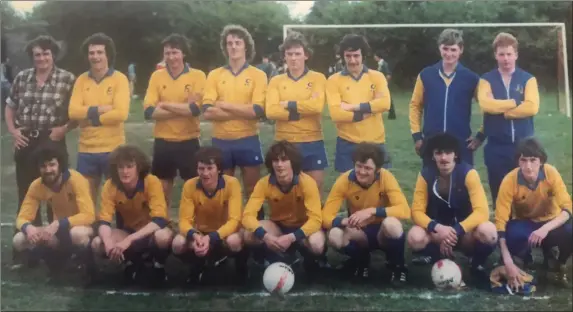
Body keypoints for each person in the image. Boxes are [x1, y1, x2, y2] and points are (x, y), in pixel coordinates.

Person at [5, 35, 76, 262]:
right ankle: (28, 247)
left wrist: (64, 129)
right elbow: (10, 107)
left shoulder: (67, 79)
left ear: (53, 54)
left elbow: (77, 113)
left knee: (58, 193)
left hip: (52, 139)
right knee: (27, 194)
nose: (42, 58)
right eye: (37, 54)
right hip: (27, 140)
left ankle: (61, 247)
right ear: (32, 57)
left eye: (46, 53)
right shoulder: (22, 78)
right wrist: (13, 131)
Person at [408, 133, 497, 286]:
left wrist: (455, 231)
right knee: (414, 237)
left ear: (455, 154)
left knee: (488, 231)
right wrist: (438, 228)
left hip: (464, 234)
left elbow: (482, 211)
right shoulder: (425, 175)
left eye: (448, 152)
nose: (444, 158)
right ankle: (436, 256)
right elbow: (416, 211)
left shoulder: (469, 173)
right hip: (437, 233)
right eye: (439, 153)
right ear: (432, 156)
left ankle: (476, 263)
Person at [322, 142, 410, 282]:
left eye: (368, 168)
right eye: (359, 166)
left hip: (383, 231)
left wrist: (371, 211)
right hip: (360, 232)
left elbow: (404, 210)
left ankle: (398, 266)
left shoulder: (385, 177)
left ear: (378, 169)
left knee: (392, 223)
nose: (362, 172)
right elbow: (325, 217)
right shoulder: (345, 180)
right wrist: (345, 221)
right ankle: (361, 261)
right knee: (334, 235)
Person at [202, 24, 267, 208]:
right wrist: (241, 111)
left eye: (238, 42)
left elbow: (256, 111)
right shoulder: (215, 75)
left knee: (252, 189)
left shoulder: (258, 75)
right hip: (221, 140)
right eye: (229, 43)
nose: (233, 46)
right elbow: (207, 111)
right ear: (225, 47)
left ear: (246, 46)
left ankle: (256, 227)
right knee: (223, 189)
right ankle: (226, 229)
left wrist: (224, 106)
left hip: (248, 139)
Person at [89, 145, 174, 284]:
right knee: (98, 243)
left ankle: (159, 265)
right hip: (129, 231)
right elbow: (104, 221)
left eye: (129, 166)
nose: (125, 171)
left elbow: (160, 220)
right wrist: (108, 241)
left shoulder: (151, 181)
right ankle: (129, 262)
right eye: (121, 167)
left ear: (139, 167)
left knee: (162, 237)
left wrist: (129, 240)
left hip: (151, 232)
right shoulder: (110, 185)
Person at [495, 137, 572, 289]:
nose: (528, 166)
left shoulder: (551, 173)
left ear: (541, 161)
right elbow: (500, 221)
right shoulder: (509, 180)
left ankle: (558, 263)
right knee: (512, 234)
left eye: (533, 160)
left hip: (550, 222)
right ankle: (522, 261)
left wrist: (544, 229)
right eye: (523, 160)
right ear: (518, 161)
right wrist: (507, 260)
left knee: (570, 230)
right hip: (526, 222)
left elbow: (568, 208)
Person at [242, 141, 324, 278]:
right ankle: (273, 256)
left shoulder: (307, 182)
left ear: (293, 162)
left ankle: (311, 260)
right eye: (275, 160)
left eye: (284, 160)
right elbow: (247, 216)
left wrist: (292, 237)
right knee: (249, 235)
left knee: (317, 244)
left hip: (302, 229)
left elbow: (316, 220)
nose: (279, 165)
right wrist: (266, 236)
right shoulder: (264, 183)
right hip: (279, 227)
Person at [143, 34, 206, 208]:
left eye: (175, 52)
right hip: (163, 141)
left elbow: (195, 110)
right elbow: (149, 111)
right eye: (167, 53)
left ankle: (194, 225)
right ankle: (163, 225)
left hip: (189, 140)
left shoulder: (198, 76)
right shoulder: (157, 76)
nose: (171, 57)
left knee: (194, 187)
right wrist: (182, 108)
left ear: (183, 53)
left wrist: (164, 104)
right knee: (162, 189)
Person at [478, 32, 540, 208]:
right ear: (495, 55)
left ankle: (524, 230)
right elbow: (486, 105)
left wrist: (504, 112)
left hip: (524, 146)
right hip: (496, 147)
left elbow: (532, 107)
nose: (505, 58)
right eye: (501, 54)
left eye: (509, 54)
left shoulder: (528, 79)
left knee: (525, 194)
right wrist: (514, 103)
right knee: (499, 194)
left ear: (516, 55)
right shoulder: (486, 79)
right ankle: (501, 230)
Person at [68, 33, 130, 204]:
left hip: (113, 148)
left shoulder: (120, 79)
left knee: (118, 200)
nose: (95, 57)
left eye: (99, 52)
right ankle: (91, 230)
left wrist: (89, 118)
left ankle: (120, 231)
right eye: (91, 53)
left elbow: (120, 114)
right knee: (86, 201)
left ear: (107, 54)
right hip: (86, 150)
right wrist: (102, 110)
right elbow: (73, 112)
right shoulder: (81, 80)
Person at [13, 143, 95, 274]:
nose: (48, 170)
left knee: (77, 234)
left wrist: (59, 223)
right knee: (19, 240)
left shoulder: (76, 179)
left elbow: (89, 215)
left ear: (60, 165)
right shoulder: (36, 186)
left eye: (52, 164)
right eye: (43, 166)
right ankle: (53, 259)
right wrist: (29, 228)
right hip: (57, 231)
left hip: (82, 228)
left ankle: (86, 263)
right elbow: (22, 217)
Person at [408, 29, 484, 168]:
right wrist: (417, 136)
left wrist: (480, 136)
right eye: (445, 49)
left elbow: (487, 108)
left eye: (453, 49)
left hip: (461, 143)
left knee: (462, 186)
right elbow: (415, 106)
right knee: (431, 185)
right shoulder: (426, 75)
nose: (449, 54)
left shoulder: (471, 78)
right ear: (439, 48)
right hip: (432, 142)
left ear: (461, 50)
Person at [172, 146, 248, 283]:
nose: (205, 173)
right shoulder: (190, 185)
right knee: (178, 243)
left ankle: (240, 268)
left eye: (210, 168)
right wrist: (196, 236)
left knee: (234, 241)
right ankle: (197, 265)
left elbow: (234, 220)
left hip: (225, 233)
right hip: (201, 233)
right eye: (201, 168)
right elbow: (184, 221)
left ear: (218, 169)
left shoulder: (232, 184)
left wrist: (211, 238)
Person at [265, 31, 328, 194]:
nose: (293, 58)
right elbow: (271, 111)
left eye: (297, 54)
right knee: (287, 191)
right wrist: (300, 111)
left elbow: (316, 107)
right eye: (289, 54)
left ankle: (315, 219)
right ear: (284, 56)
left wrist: (287, 104)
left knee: (314, 190)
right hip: (285, 142)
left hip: (312, 141)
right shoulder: (276, 81)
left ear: (306, 55)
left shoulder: (318, 78)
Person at [326, 34, 392, 174]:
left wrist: (352, 107)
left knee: (378, 190)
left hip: (375, 142)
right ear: (343, 56)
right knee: (349, 190)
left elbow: (385, 103)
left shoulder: (377, 77)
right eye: (348, 56)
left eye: (356, 55)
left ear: (363, 55)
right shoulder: (333, 80)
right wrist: (369, 111)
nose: (352, 60)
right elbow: (336, 114)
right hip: (347, 143)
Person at [374, 50, 396, 120]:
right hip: (380, 84)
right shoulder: (380, 63)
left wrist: (385, 83)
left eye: (375, 56)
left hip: (384, 84)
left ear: (378, 56)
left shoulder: (384, 64)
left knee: (388, 98)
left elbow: (388, 74)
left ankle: (392, 114)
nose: (374, 57)